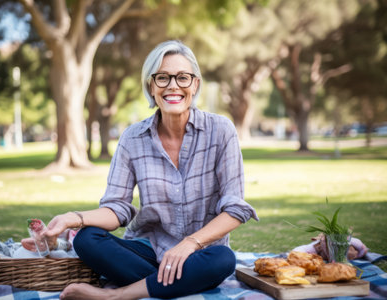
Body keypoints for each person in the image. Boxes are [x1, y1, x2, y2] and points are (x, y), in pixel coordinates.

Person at [36, 40, 258, 300]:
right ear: (151, 86)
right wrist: (73, 218)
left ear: (195, 84)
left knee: (223, 259)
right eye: (162, 77)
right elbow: (117, 209)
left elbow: (234, 209)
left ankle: (116, 295)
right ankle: (173, 282)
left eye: (183, 78)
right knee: (86, 239)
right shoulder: (132, 138)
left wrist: (190, 243)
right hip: (148, 249)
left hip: (201, 251)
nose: (173, 85)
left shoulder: (221, 131)